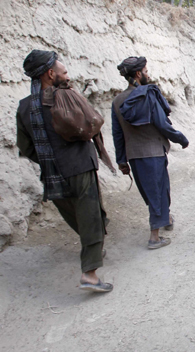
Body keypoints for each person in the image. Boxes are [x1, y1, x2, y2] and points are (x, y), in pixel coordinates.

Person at [16, 50, 112, 293]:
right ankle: (89, 273)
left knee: (77, 217)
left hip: (52, 173)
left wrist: (49, 158)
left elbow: (26, 147)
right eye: (64, 72)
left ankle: (94, 248)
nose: (67, 76)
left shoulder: (25, 106)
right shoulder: (66, 96)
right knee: (89, 216)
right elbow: (93, 122)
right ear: (50, 74)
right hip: (79, 166)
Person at [112, 56, 189, 250]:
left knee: (151, 191)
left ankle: (166, 218)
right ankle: (154, 237)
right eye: (146, 71)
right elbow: (162, 124)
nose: (148, 74)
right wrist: (180, 138)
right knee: (159, 191)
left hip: (134, 155)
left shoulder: (117, 101)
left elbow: (117, 134)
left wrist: (121, 160)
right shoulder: (149, 94)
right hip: (154, 152)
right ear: (138, 74)